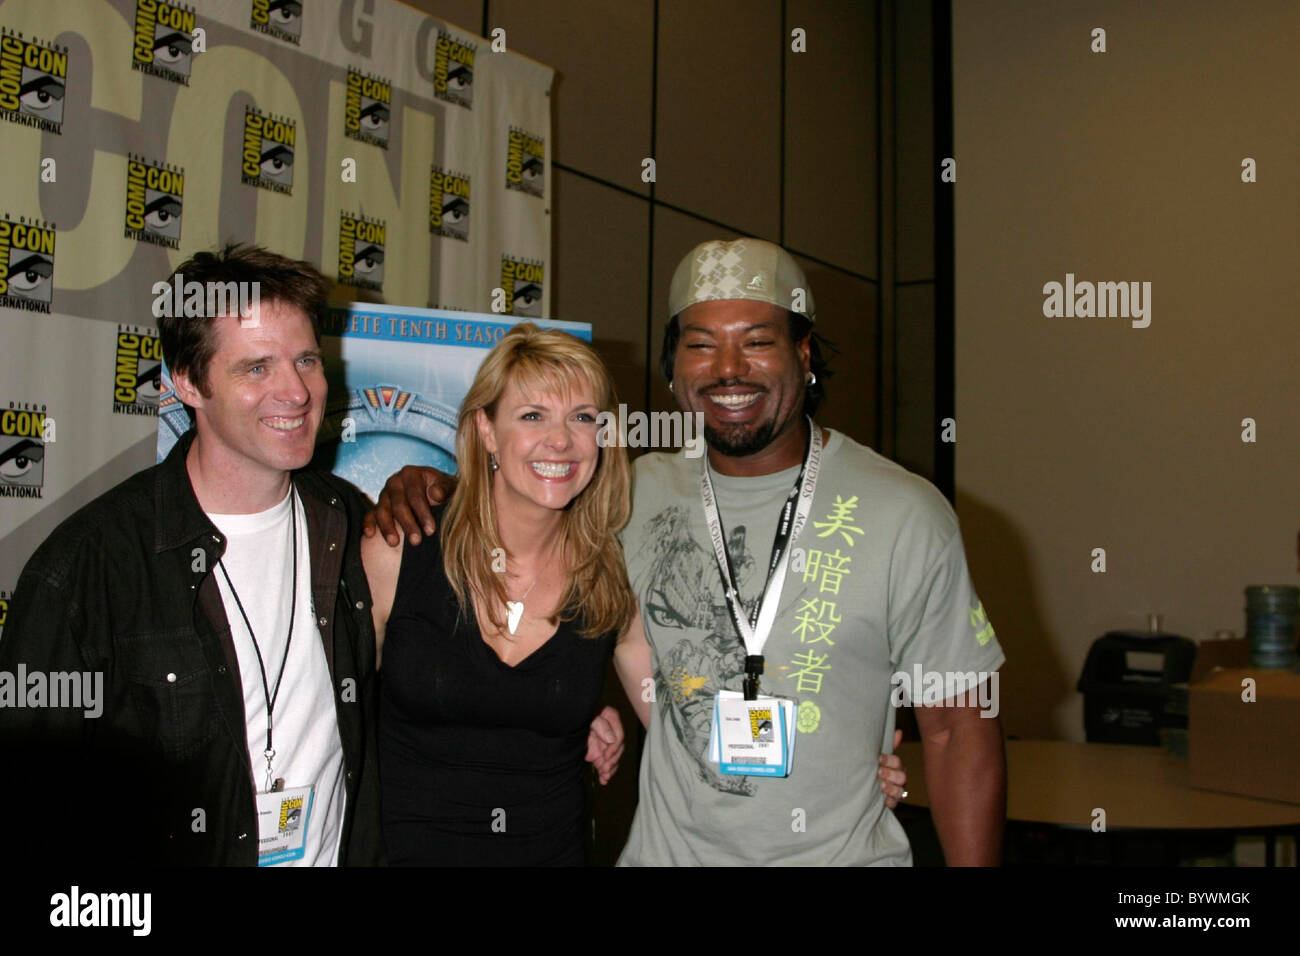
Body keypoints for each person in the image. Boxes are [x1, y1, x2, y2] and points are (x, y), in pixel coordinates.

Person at [369, 238, 999, 865]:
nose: (728, 368)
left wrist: (887, 771)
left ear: (803, 354)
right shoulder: (629, 496)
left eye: (757, 341)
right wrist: (432, 487)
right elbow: (528, 513)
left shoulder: (904, 513)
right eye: (700, 343)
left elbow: (956, 731)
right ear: (674, 366)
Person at [0, 244, 382, 865]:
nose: (296, 391)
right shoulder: (88, 570)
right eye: (256, 368)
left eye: (306, 359)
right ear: (186, 383)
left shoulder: (348, 523)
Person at [361, 324, 635, 865]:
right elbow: (330, 713)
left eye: (582, 417)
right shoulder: (398, 547)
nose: (560, 440)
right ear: (486, 429)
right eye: (532, 416)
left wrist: (578, 709)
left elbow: (677, 711)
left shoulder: (611, 574)